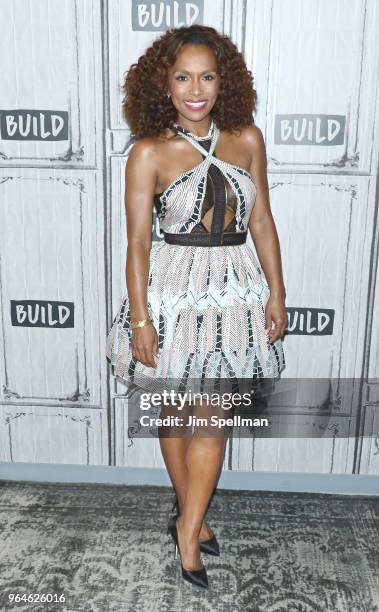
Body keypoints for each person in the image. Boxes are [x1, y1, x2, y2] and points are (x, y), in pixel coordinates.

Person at [106, 24, 288, 589]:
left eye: (207, 76)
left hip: (235, 291)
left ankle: (187, 530)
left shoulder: (247, 139)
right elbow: (137, 242)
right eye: (183, 76)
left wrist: (277, 291)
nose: (196, 88)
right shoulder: (148, 152)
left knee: (213, 415)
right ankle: (193, 514)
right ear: (163, 83)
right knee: (175, 413)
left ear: (223, 81)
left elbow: (260, 220)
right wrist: (140, 319)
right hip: (173, 292)